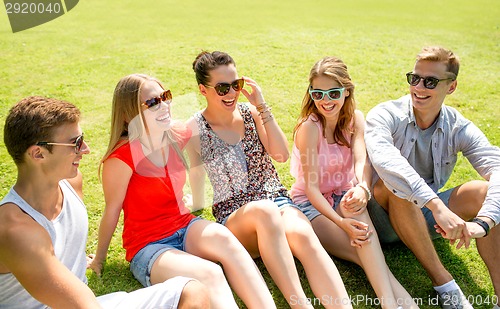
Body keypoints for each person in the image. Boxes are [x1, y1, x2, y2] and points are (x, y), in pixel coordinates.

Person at [0, 96, 209, 309]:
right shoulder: (15, 229)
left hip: (87, 303)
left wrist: (94, 259)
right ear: (38, 153)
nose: (86, 149)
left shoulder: (72, 183)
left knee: (192, 291)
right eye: (75, 143)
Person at [89, 74, 275, 309]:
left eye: (165, 96)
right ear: (128, 115)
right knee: (210, 273)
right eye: (153, 102)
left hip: (184, 225)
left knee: (228, 241)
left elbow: (214, 119)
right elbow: (112, 209)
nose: (164, 105)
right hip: (148, 246)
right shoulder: (121, 158)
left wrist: (250, 104)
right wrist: (99, 259)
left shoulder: (177, 133)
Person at [187, 51, 352, 309]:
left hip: (277, 200)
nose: (231, 93)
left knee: (304, 235)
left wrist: (262, 106)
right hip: (236, 216)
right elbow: (197, 179)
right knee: (264, 212)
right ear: (203, 89)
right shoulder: (195, 128)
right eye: (222, 88)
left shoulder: (252, 113)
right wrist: (193, 204)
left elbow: (282, 155)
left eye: (235, 85)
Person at [365, 46, 500, 309]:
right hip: (378, 217)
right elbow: (388, 165)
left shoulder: (458, 126)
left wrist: (485, 222)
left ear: (451, 87)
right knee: (395, 185)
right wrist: (437, 206)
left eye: (430, 82)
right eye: (414, 78)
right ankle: (445, 285)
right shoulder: (384, 115)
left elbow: (497, 166)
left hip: (425, 217)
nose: (419, 87)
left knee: (484, 191)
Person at [290, 56, 418, 309]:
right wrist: (342, 224)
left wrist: (362, 188)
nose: (325, 101)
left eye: (333, 93)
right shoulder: (309, 128)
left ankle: (392, 305)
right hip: (312, 206)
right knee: (365, 252)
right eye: (318, 94)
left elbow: (362, 161)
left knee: (360, 228)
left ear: (346, 91)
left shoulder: (356, 119)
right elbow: (311, 189)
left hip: (345, 196)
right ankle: (398, 304)